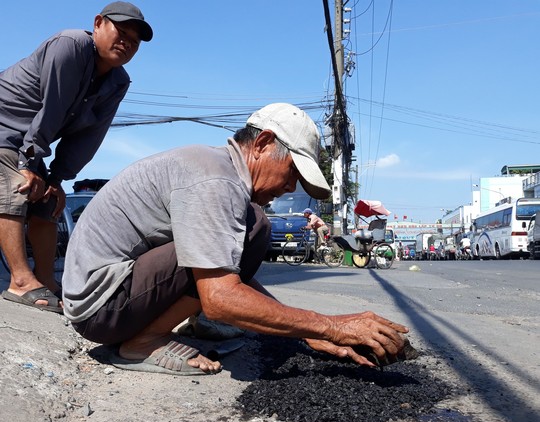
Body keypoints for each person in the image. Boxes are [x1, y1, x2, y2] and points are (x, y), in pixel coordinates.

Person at [62, 103, 409, 375]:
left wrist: (310, 332)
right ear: (262, 143)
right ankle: (142, 342)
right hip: (102, 306)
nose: (290, 187)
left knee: (250, 228)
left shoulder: (219, 169)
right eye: (292, 173)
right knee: (255, 228)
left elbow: (229, 273)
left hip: (109, 298)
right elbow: (221, 296)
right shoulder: (216, 180)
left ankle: (177, 325)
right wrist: (332, 326)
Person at [0, 2, 153, 313]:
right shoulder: (70, 46)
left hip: (26, 141)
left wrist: (56, 178)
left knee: (48, 202)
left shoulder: (118, 82)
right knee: (17, 185)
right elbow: (51, 111)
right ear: (98, 24)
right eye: (121, 32)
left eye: (134, 41)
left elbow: (88, 137)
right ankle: (20, 281)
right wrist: (29, 165)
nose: (126, 43)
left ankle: (46, 280)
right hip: (4, 131)